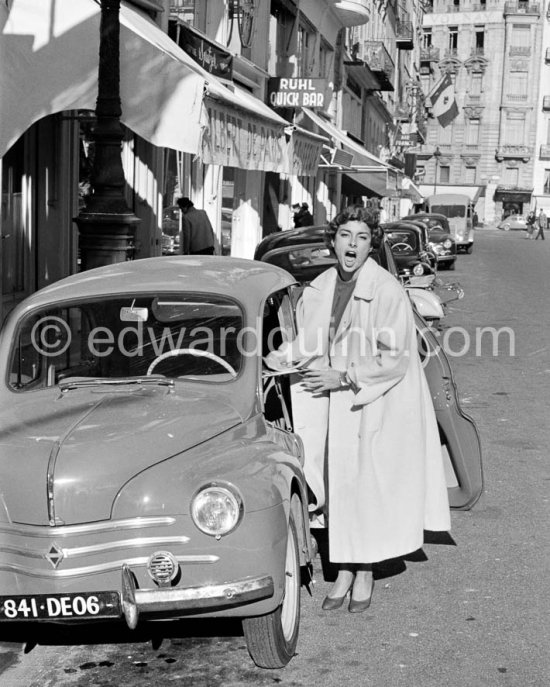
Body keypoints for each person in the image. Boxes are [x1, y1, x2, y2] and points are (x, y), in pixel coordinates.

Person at [265, 205, 450, 613]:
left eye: (362, 237)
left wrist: (344, 376)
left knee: (364, 483)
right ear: (333, 241)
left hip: (371, 398)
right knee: (335, 485)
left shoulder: (386, 290)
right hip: (327, 401)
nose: (352, 244)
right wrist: (276, 359)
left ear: (371, 245)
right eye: (345, 235)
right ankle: (343, 568)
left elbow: (395, 357)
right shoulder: (318, 288)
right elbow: (307, 343)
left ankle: (363, 570)